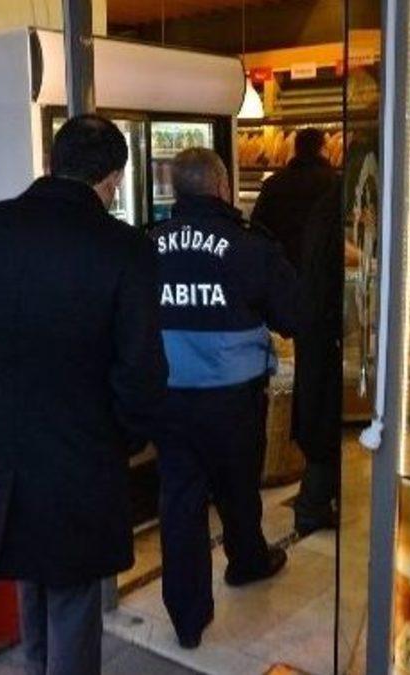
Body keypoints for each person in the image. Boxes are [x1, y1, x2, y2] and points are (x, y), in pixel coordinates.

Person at [0, 115, 167, 675]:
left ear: (50, 162)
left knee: (30, 576)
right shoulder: (125, 248)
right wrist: (127, 437)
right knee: (72, 595)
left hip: (2, 446)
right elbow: (141, 370)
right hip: (83, 452)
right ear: (113, 179)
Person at [149, 148, 298, 649]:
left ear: (176, 191)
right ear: (223, 188)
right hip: (233, 395)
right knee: (237, 484)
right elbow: (291, 315)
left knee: (179, 499)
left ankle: (187, 617)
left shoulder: (147, 244)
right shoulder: (250, 245)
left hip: (169, 394)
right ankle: (246, 561)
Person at [291, 185, 348, 535]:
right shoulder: (335, 207)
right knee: (325, 419)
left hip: (314, 328)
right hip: (325, 331)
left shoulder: (325, 205)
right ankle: (312, 506)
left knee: (321, 416)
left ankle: (316, 503)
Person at [250, 127, 337, 272]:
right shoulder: (333, 183)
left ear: (296, 149)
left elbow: (257, 225)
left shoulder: (273, 183)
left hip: (281, 267)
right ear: (322, 149)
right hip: (321, 269)